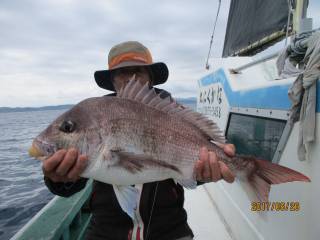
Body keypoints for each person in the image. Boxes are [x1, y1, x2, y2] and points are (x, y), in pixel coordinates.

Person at [43, 41, 236, 240]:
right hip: (105, 232)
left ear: (150, 78)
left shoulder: (176, 115)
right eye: (122, 73)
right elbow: (70, 185)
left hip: (169, 230)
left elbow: (191, 161)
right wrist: (60, 180)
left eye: (138, 71)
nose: (130, 79)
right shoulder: (94, 118)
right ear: (112, 80)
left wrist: (205, 172)